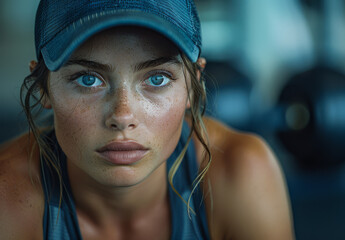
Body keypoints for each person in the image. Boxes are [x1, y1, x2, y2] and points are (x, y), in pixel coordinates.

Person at [0, 0, 294, 239]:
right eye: (88, 79)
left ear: (192, 84)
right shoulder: (8, 197)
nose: (123, 116)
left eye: (157, 78)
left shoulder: (240, 174)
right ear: (43, 89)